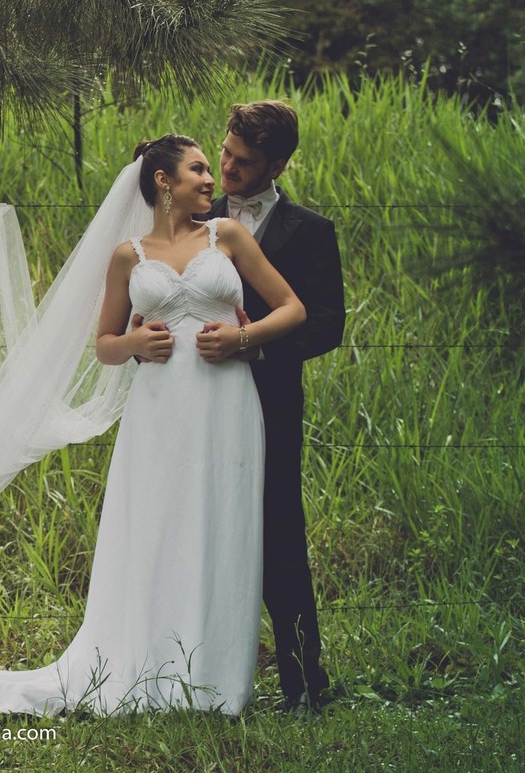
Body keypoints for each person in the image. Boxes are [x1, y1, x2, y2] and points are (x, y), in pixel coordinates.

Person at [0, 135, 306, 717]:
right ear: (163, 180)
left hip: (227, 405)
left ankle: (215, 683)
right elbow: (105, 346)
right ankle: (149, 665)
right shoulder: (128, 256)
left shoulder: (228, 238)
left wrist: (243, 337)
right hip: (160, 410)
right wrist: (136, 341)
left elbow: (292, 308)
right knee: (159, 526)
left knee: (221, 522)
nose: (210, 178)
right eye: (196, 169)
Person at [206, 101, 346, 714]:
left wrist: (252, 347)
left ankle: (303, 683)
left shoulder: (309, 231)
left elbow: (326, 326)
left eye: (245, 162)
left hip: (270, 402)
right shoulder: (190, 214)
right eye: (226, 153)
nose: (228, 169)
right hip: (195, 403)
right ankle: (189, 672)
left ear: (279, 164)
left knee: (279, 534)